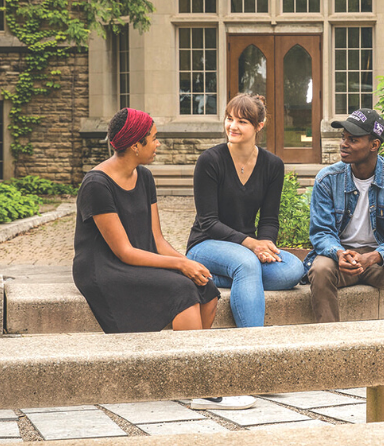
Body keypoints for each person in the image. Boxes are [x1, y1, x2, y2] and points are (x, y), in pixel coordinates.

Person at [73, 107, 255, 410]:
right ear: (135, 145)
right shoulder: (97, 185)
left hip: (137, 256)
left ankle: (185, 372)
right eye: (154, 139)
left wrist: (190, 264)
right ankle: (202, 387)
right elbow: (124, 251)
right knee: (181, 289)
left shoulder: (143, 177)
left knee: (205, 286)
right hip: (103, 268)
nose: (158, 145)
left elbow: (156, 240)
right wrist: (180, 265)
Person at [186, 93, 305, 331]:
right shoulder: (209, 161)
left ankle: (225, 276)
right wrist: (252, 245)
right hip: (207, 244)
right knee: (246, 263)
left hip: (246, 250)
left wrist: (266, 244)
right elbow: (209, 222)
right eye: (229, 118)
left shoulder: (272, 165)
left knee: (294, 269)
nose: (232, 126)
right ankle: (253, 346)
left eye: (242, 121)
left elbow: (269, 218)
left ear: (259, 126)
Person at [305, 108, 384, 322]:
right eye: (344, 138)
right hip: (342, 259)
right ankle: (330, 343)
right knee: (320, 269)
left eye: (353, 139)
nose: (344, 144)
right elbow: (321, 233)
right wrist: (339, 254)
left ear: (374, 145)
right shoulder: (328, 179)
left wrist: (373, 257)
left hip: (381, 260)